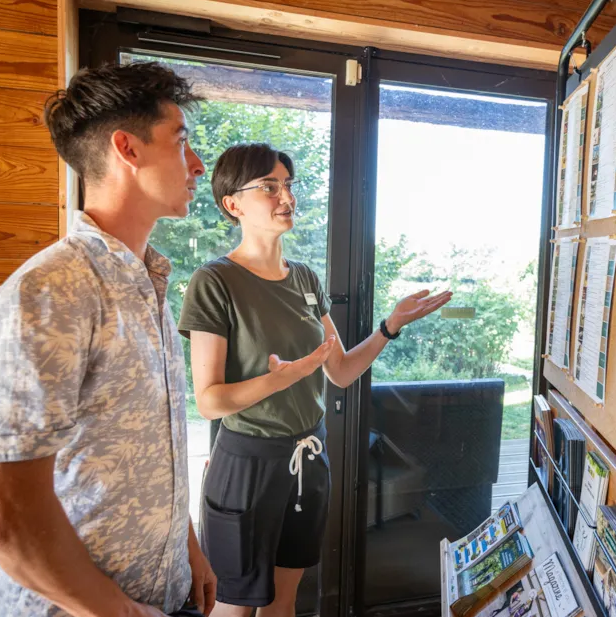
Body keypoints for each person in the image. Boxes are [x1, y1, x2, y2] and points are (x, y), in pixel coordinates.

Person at [0, 62, 217, 617]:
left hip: (167, 590)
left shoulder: (147, 280)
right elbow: (1, 515)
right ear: (127, 149)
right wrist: (118, 611)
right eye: (182, 143)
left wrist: (189, 549)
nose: (197, 165)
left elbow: (159, 445)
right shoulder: (50, 291)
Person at [178, 143, 453, 617]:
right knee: (235, 606)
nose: (285, 196)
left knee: (285, 601)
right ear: (233, 204)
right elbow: (209, 402)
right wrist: (286, 378)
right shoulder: (214, 281)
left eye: (288, 184)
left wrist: (390, 326)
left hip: (310, 456)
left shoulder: (304, 278)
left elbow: (341, 370)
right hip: (248, 463)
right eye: (269, 186)